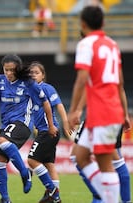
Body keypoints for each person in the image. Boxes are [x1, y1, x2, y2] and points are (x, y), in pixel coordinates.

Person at [67, 6, 130, 203]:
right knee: (79, 155)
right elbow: (119, 83)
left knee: (105, 164)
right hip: (109, 110)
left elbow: (82, 79)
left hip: (104, 112)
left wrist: (73, 110)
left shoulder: (86, 44)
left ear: (83, 24)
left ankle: (110, 199)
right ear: (103, 23)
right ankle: (107, 197)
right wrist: (125, 113)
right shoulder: (112, 44)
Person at [0, 54, 58, 203]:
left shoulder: (28, 83)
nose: (9, 73)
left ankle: (25, 173)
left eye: (12, 70)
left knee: (2, 141)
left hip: (23, 124)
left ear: (18, 69)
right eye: (6, 70)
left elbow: (45, 103)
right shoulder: (0, 81)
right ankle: (6, 199)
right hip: (7, 125)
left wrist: (51, 125)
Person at [28, 62, 70, 203]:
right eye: (31, 73)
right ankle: (54, 198)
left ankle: (53, 192)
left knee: (32, 160)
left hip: (49, 131)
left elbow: (59, 105)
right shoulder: (29, 91)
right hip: (44, 131)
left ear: (43, 76)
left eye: (36, 72)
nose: (33, 75)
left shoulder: (46, 88)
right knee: (49, 164)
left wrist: (65, 123)